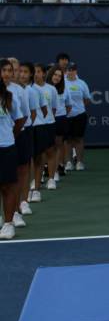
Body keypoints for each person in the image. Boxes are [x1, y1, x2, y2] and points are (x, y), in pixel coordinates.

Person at [2, 59, 30, 229]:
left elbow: (22, 118)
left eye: (9, 70)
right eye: (3, 70)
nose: (6, 73)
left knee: (11, 181)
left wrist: (10, 136)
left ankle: (12, 218)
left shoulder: (14, 93)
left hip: (11, 142)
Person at [17, 62, 39, 216]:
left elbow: (31, 113)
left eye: (25, 72)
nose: (21, 74)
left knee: (24, 167)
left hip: (25, 131)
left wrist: (21, 129)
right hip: (7, 135)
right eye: (19, 71)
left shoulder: (30, 92)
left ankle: (24, 201)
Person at [47, 65, 72, 186]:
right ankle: (42, 174)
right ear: (50, 74)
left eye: (59, 76)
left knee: (57, 146)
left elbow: (69, 105)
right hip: (45, 121)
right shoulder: (43, 87)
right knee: (46, 148)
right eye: (55, 75)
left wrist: (60, 115)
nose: (56, 77)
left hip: (60, 119)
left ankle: (55, 171)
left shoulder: (64, 88)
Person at [64, 63, 91, 171]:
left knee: (79, 139)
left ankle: (79, 162)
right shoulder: (63, 83)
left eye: (72, 70)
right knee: (67, 140)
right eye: (68, 70)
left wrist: (78, 108)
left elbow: (87, 99)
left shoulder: (82, 83)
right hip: (66, 116)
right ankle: (68, 162)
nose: (70, 72)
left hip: (80, 115)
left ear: (76, 71)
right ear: (66, 71)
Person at [29, 64, 49, 203]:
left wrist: (35, 122)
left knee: (38, 158)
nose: (36, 74)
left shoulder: (38, 91)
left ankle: (36, 189)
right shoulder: (14, 90)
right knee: (26, 161)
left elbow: (45, 110)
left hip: (38, 127)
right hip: (24, 130)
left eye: (37, 72)